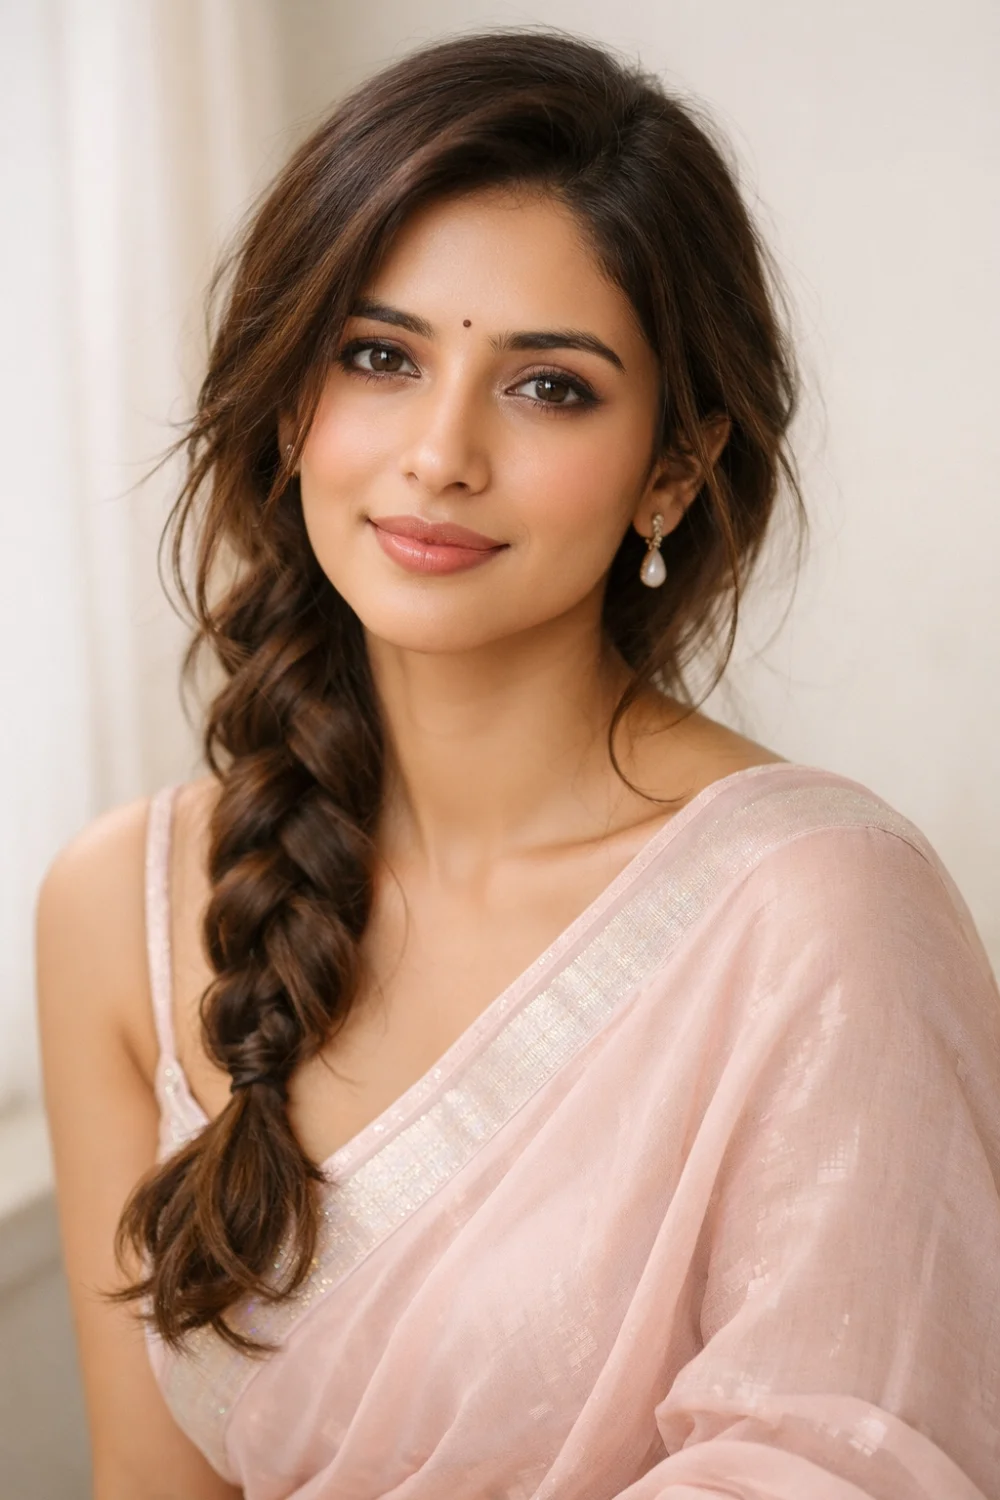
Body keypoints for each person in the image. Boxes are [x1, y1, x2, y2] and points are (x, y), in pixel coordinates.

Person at [34, 27, 1000, 1500]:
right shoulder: (124, 904)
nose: (440, 453)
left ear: (673, 467)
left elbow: (861, 1460)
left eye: (549, 386)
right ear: (291, 402)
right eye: (379, 357)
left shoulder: (822, 913)